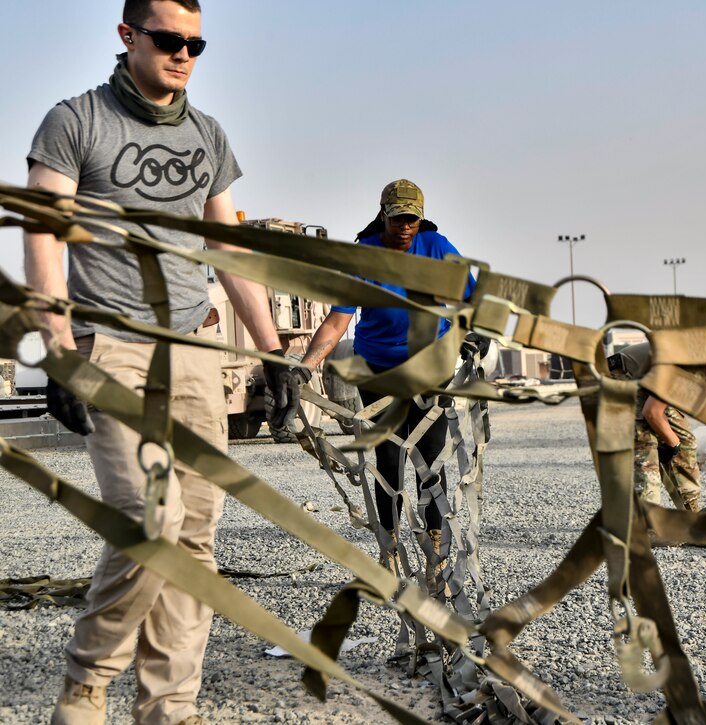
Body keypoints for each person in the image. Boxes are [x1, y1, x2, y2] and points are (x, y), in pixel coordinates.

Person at [23, 2, 298, 723]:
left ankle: (170, 707)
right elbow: (44, 235)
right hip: (113, 348)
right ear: (127, 36)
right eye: (169, 40)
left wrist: (273, 356)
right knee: (151, 521)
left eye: (195, 43)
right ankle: (87, 682)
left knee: (195, 538)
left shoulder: (209, 135)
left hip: (198, 350)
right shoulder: (73, 121)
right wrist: (57, 350)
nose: (183, 54)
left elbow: (228, 249)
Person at [286, 179, 475, 589]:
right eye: (398, 218)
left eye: (412, 219)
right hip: (379, 372)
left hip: (430, 370)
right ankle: (389, 550)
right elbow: (338, 319)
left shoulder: (438, 248)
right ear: (383, 214)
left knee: (430, 464)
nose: (405, 226)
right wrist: (306, 365)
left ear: (420, 218)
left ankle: (436, 554)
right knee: (388, 463)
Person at [607, 344, 706, 510]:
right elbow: (652, 412)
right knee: (647, 450)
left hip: (654, 383)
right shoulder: (685, 367)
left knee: (686, 443)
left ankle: (690, 512)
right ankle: (645, 522)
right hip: (624, 376)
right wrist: (671, 442)